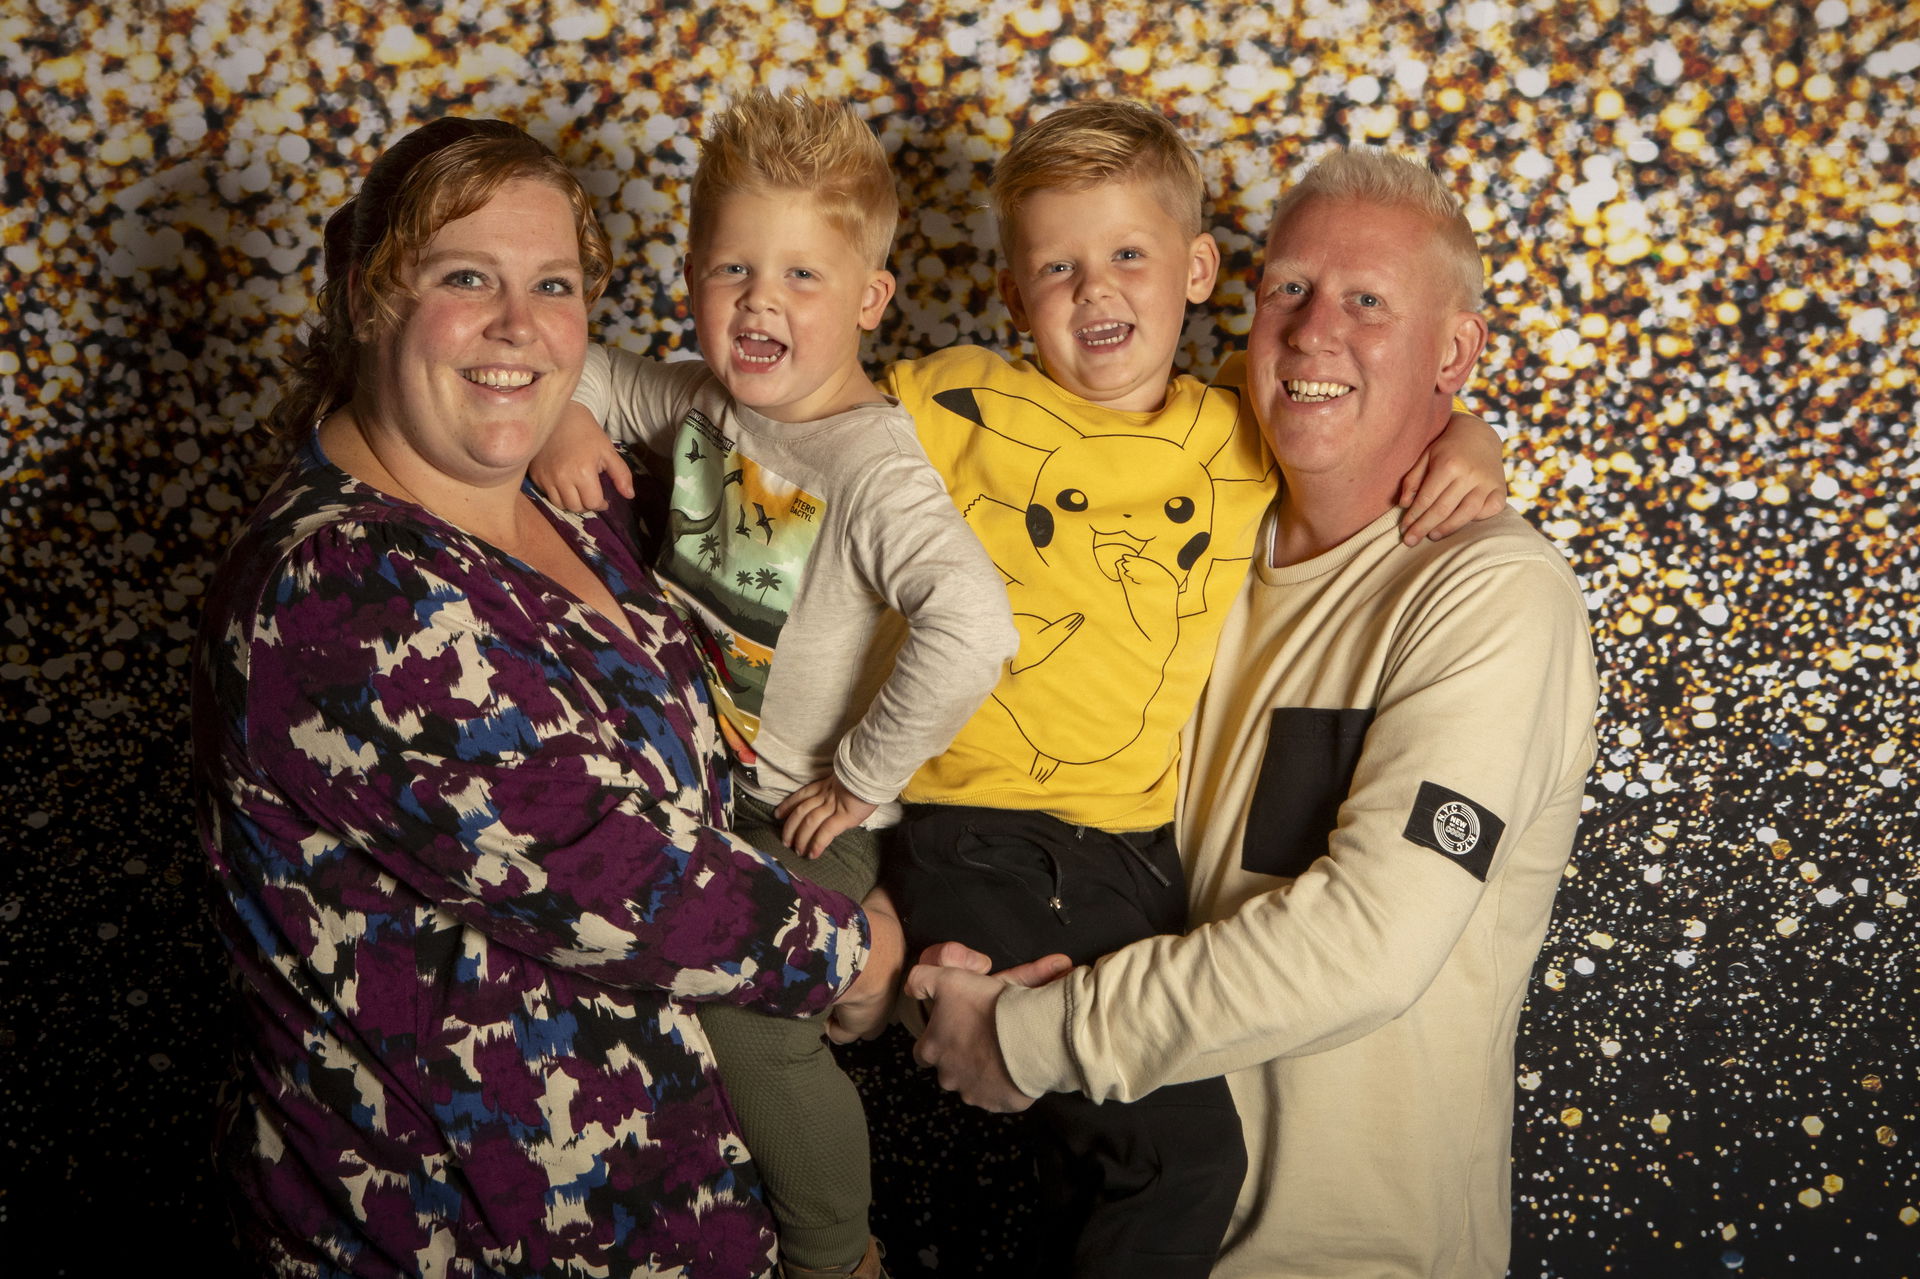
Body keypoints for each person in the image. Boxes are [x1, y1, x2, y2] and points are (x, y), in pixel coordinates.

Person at [537, 100, 1508, 1277]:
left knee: (1107, 1160)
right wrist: (576, 411)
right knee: (1182, 1161)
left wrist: (1468, 440)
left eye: (1129, 259)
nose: (1095, 292)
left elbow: (1351, 406)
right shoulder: (949, 405)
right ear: (1011, 295)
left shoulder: (1238, 432)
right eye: (1057, 267)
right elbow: (800, 403)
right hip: (985, 834)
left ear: (1199, 270)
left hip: (1128, 856)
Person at [191, 116, 904, 1279]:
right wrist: (853, 949)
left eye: (555, 285)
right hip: (466, 1237)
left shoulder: (573, 499)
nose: (520, 325)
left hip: (694, 1217)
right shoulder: (341, 587)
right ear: (371, 299)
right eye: (467, 277)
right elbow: (614, 871)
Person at [907, 146, 1601, 1279]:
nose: (1316, 329)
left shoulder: (1490, 596)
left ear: (1459, 351)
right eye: (1289, 289)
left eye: (1369, 302)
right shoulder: (1195, 540)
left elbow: (1371, 943)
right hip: (1105, 1224)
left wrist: (1035, 1037)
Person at [532, 91, 1016, 1279]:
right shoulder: (701, 402)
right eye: (733, 268)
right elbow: (575, 367)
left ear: (867, 301)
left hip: (796, 813)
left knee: (747, 1017)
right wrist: (565, 424)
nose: (760, 301)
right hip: (688, 800)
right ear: (692, 276)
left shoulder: (872, 466)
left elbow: (976, 624)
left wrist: (857, 782)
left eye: (804, 276)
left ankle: (835, 1254)